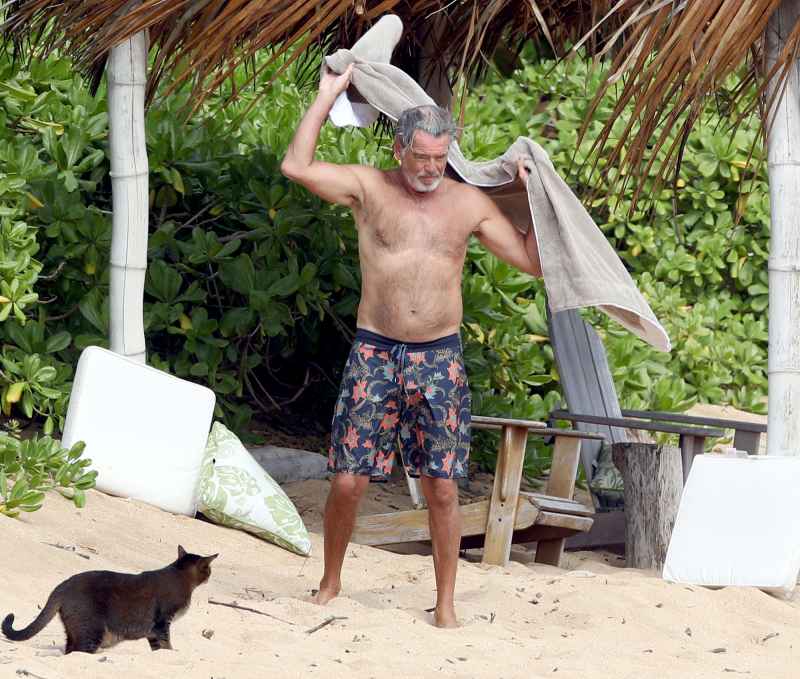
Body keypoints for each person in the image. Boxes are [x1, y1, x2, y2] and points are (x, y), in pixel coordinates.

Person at [281, 64, 541, 629]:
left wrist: (532, 192)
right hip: (375, 350)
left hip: (439, 358)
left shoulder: (468, 203)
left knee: (441, 487)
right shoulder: (369, 187)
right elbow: (295, 166)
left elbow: (531, 261)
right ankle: (330, 582)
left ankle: (445, 604)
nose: (429, 168)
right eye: (420, 156)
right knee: (349, 479)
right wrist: (327, 93)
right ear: (399, 147)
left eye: (440, 157)